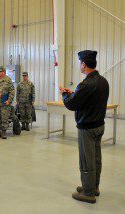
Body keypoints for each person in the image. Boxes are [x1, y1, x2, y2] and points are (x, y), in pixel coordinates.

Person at [60, 50, 109, 204]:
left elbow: (72, 104)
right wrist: (74, 93)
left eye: (80, 63)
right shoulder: (103, 81)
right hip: (99, 125)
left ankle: (88, 193)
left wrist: (65, 95)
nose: (79, 66)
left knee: (86, 160)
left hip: (87, 128)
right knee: (95, 158)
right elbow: (88, 99)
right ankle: (93, 187)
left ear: (84, 64)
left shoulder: (86, 84)